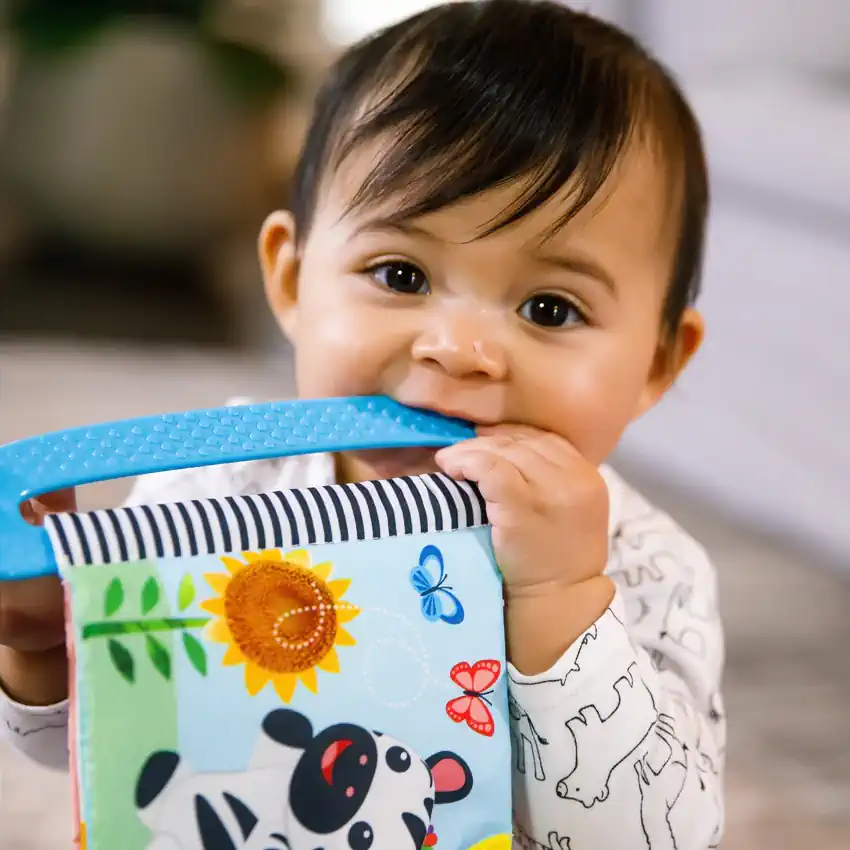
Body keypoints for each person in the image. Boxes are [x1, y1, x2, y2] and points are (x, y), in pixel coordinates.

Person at [0, 2, 725, 847]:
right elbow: (110, 751)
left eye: (549, 306)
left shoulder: (650, 571)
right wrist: (45, 653)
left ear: (656, 365)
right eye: (401, 273)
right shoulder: (209, 494)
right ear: (292, 282)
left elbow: (661, 838)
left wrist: (560, 599)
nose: (459, 350)